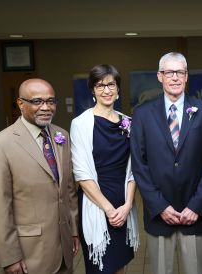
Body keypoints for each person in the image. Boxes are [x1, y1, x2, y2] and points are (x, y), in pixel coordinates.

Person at [130, 52, 202, 274]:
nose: (175, 77)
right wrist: (159, 206)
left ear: (187, 76)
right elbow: (140, 165)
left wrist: (196, 205)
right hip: (160, 214)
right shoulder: (141, 114)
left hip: (195, 214)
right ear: (160, 76)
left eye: (180, 72)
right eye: (169, 72)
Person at [0, 78, 79, 274]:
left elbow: (69, 190)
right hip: (29, 255)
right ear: (20, 103)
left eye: (51, 101)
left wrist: (74, 231)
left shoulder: (62, 136)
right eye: (37, 101)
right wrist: (9, 257)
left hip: (64, 249)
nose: (46, 107)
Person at [70, 64, 139, 274]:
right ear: (92, 89)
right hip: (96, 204)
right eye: (100, 85)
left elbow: (134, 169)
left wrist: (127, 205)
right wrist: (109, 209)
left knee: (120, 267)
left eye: (111, 84)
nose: (107, 90)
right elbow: (81, 174)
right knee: (101, 267)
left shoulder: (129, 123)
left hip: (123, 203)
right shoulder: (80, 124)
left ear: (118, 89)